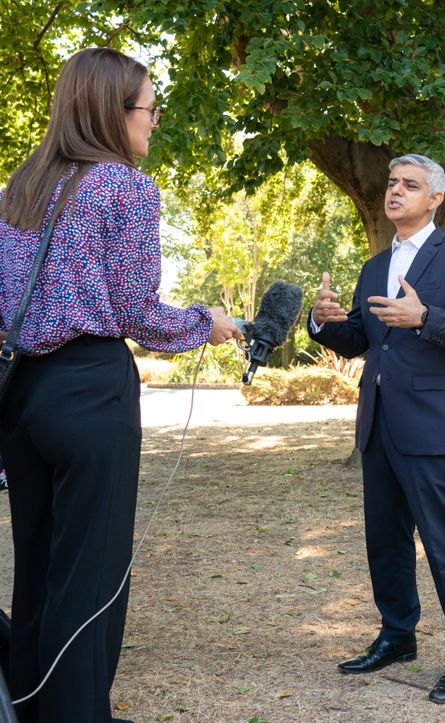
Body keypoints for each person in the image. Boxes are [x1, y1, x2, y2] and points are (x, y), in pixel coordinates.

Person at [0, 48, 241, 722]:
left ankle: (27, 707)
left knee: (38, 571)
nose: (154, 120)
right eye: (149, 108)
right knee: (90, 577)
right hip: (91, 390)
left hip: (22, 397)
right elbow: (138, 312)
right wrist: (206, 323)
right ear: (113, 110)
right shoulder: (126, 188)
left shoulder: (15, 189)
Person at [309, 154, 445, 704]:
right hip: (377, 425)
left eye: (410, 186)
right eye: (392, 183)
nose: (396, 192)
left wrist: (426, 318)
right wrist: (324, 321)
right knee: (385, 543)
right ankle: (397, 636)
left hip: (431, 427)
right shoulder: (373, 266)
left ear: (434, 199)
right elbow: (362, 340)